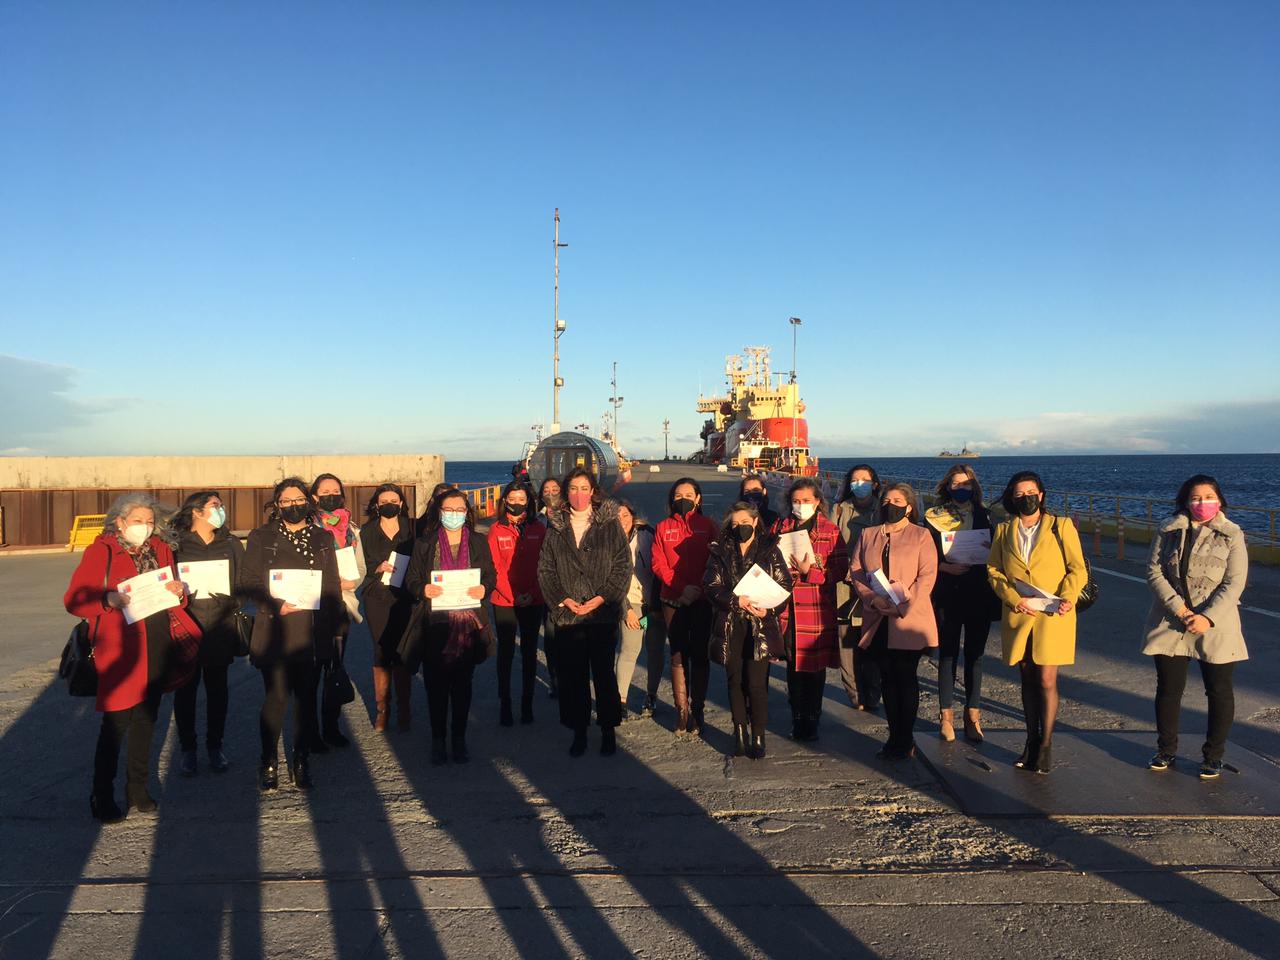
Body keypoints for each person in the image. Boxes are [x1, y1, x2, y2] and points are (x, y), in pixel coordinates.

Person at [65, 493, 200, 822]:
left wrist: (178, 591)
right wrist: (107, 599)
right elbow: (74, 600)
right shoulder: (102, 551)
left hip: (157, 643)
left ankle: (137, 788)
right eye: (138, 521)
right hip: (120, 652)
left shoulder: (161, 549)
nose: (145, 527)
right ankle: (101, 793)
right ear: (120, 522)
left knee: (146, 721)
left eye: (150, 521)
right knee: (115, 726)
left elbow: (172, 589)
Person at [240, 478, 344, 791]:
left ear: (307, 502)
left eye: (298, 499)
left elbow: (331, 586)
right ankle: (269, 760)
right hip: (275, 628)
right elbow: (248, 581)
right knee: (276, 699)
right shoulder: (261, 537)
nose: (292, 505)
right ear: (277, 505)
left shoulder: (323, 537)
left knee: (306, 700)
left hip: (311, 630)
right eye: (285, 501)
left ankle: (301, 759)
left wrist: (335, 629)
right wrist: (274, 603)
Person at [1143, 475, 1249, 779]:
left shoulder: (1232, 534)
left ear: (1219, 499)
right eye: (1195, 497)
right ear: (1185, 501)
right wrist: (1180, 609)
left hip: (1216, 622)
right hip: (1170, 620)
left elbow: (1235, 582)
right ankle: (1166, 749)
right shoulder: (1168, 529)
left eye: (1208, 497)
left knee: (1218, 690)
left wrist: (1206, 617)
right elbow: (1153, 571)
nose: (1202, 503)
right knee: (1168, 689)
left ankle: (1213, 755)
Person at [986, 471, 1087, 775]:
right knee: (1026, 678)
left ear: (1041, 495)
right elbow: (994, 570)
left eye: (1031, 491)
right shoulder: (1004, 530)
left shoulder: (1062, 526)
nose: (1026, 497)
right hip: (1020, 613)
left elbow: (1077, 568)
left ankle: (1045, 745)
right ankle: (1030, 740)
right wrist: (1012, 598)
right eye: (1019, 493)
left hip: (1053, 613)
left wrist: (1067, 596)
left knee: (1046, 679)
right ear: (1012, 498)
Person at [537, 468, 632, 757]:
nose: (579, 494)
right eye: (573, 489)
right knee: (573, 677)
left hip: (600, 615)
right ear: (567, 493)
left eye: (584, 488)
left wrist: (602, 598)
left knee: (603, 674)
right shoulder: (556, 527)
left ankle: (607, 729)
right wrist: (563, 599)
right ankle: (578, 730)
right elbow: (546, 569)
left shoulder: (609, 525)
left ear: (593, 492)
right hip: (568, 616)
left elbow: (622, 566)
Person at [402, 489, 495, 765]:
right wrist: (423, 589)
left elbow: (490, 574)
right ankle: (438, 740)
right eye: (448, 509)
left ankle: (459, 738)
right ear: (439, 511)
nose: (453, 514)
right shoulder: (424, 544)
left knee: (463, 686)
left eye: (459, 509)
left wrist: (484, 587)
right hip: (436, 624)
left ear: (467, 512)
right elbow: (411, 579)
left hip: (468, 623)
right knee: (436, 686)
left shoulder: (478, 542)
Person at [847, 483, 938, 760]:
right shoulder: (868, 534)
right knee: (887, 678)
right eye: (886, 500)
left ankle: (905, 737)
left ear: (909, 506)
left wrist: (904, 604)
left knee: (906, 677)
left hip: (909, 616)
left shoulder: (921, 535)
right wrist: (871, 599)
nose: (891, 504)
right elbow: (857, 570)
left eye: (897, 500)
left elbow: (927, 575)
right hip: (878, 615)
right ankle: (893, 735)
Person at [704, 502, 792, 759]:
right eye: (735, 524)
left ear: (755, 522)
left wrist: (769, 610)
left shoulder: (770, 549)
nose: (740, 527)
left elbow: (784, 584)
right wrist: (734, 600)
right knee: (734, 681)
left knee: (756, 684)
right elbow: (710, 585)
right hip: (731, 623)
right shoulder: (720, 550)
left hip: (759, 625)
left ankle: (758, 735)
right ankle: (739, 732)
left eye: (745, 523)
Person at [172, 490, 245, 776]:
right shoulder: (176, 546)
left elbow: (244, 580)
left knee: (218, 692)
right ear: (196, 512)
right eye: (215, 506)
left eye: (221, 505)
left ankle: (215, 746)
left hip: (219, 628)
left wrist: (233, 599)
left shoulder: (230, 543)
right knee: (185, 693)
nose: (221, 510)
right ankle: (188, 749)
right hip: (186, 629)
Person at [924, 465, 998, 743]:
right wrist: (943, 567)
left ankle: (973, 717)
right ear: (947, 486)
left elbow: (999, 552)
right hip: (948, 590)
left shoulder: (987, 515)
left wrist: (989, 552)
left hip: (980, 591)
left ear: (974, 486)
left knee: (976, 656)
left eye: (966, 483)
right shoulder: (933, 517)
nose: (961, 487)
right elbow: (925, 553)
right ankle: (946, 717)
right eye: (956, 483)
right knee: (947, 655)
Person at [771, 478, 847, 742]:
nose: (800, 505)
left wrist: (811, 572)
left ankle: (812, 717)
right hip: (788, 609)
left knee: (814, 670)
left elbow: (839, 570)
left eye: (806, 501)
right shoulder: (780, 527)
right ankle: (798, 715)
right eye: (796, 501)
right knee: (793, 667)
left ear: (817, 502)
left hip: (816, 608)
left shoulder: (830, 531)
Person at [651, 477, 718, 738]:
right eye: (678, 495)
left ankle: (698, 709)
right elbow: (658, 564)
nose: (683, 498)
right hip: (673, 600)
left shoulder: (708, 526)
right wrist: (681, 588)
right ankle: (682, 711)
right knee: (678, 654)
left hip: (701, 600)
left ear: (698, 498)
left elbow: (715, 561)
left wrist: (699, 588)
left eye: (689, 494)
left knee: (699, 654)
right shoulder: (663, 527)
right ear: (671, 499)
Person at [310, 473, 364, 749]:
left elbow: (360, 566)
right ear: (315, 496)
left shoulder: (351, 529)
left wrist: (354, 581)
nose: (331, 495)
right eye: (325, 491)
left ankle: (331, 726)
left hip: (342, 604)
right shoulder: (308, 525)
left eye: (336, 491)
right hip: (312, 604)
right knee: (311, 669)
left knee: (335, 667)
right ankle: (309, 732)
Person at [488, 481, 547, 726]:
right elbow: (495, 568)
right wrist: (512, 595)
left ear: (529, 501)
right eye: (511, 499)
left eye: (521, 499)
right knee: (506, 652)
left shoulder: (538, 528)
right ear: (505, 502)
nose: (516, 503)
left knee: (529, 651)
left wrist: (531, 593)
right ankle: (505, 702)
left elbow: (544, 565)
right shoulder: (496, 530)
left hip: (533, 598)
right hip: (504, 600)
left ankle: (527, 702)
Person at [358, 483, 416, 733]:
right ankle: (383, 709)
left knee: (403, 649)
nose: (389, 504)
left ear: (401, 503)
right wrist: (376, 568)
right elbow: (359, 564)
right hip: (377, 596)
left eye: (394, 499)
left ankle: (404, 707)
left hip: (406, 596)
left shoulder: (413, 528)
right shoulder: (366, 532)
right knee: (382, 649)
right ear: (376, 505)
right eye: (384, 501)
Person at [829, 464, 883, 712]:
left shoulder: (883, 509)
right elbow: (831, 544)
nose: (859, 484)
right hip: (845, 583)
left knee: (873, 636)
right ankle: (854, 691)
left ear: (875, 483)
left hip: (875, 583)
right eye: (854, 479)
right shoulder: (839, 509)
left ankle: (873, 689)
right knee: (846, 638)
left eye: (865, 479)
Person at [614, 500, 663, 720]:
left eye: (624, 515)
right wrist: (627, 610)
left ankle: (651, 695)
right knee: (629, 649)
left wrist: (657, 606)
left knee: (654, 650)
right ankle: (620, 699)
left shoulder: (648, 534)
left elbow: (661, 567)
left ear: (632, 516)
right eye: (615, 516)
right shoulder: (608, 541)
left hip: (653, 605)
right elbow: (610, 580)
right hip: (631, 604)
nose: (621, 520)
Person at [537, 476, 564, 696]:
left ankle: (568, 677)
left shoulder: (570, 515)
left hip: (566, 584)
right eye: (547, 489)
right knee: (551, 633)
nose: (551, 492)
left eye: (556, 488)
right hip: (543, 586)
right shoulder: (536, 518)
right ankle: (555, 677)